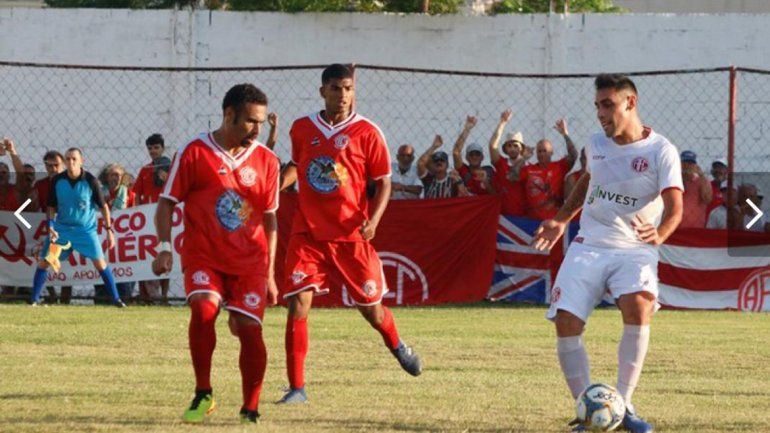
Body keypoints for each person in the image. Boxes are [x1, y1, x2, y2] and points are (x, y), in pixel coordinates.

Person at [532, 74, 683, 433]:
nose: (600, 113)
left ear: (630, 102)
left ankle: (625, 406)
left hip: (635, 248)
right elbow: (589, 179)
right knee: (566, 321)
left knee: (638, 306)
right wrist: (561, 220)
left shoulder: (661, 150)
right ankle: (588, 412)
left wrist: (660, 233)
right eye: (597, 105)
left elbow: (676, 206)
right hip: (590, 244)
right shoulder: (596, 143)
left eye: (608, 105)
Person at [278, 64, 422, 404]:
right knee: (298, 303)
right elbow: (297, 166)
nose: (342, 95)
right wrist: (274, 190)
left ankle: (397, 344)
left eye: (347, 88)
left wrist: (374, 221)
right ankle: (297, 388)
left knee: (372, 310)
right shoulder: (302, 128)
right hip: (308, 233)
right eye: (335, 88)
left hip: (350, 235)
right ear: (322, 91)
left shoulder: (367, 132)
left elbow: (383, 182)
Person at [152, 83, 279, 424]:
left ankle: (250, 409)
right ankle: (203, 392)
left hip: (250, 262)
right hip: (204, 255)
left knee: (248, 329)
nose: (257, 130)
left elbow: (270, 219)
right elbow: (166, 204)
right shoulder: (194, 151)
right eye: (250, 121)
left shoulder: (268, 161)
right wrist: (164, 247)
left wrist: (269, 274)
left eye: (261, 122)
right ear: (228, 114)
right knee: (204, 309)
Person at [29, 147, 127, 308]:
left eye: (74, 158)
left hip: (85, 231)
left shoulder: (90, 181)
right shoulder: (58, 181)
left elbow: (103, 207)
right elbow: (51, 206)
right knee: (45, 262)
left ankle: (116, 300)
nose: (71, 162)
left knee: (100, 263)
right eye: (68, 159)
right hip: (62, 230)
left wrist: (109, 230)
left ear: (81, 161)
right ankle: (34, 300)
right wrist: (51, 226)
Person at [133, 133, 171, 304]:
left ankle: (164, 295)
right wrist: (137, 213)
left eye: (156, 147)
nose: (153, 151)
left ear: (163, 148)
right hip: (147, 220)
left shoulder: (170, 168)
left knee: (165, 253)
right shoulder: (145, 170)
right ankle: (147, 295)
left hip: (165, 218)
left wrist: (167, 179)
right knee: (147, 255)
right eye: (150, 148)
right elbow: (137, 194)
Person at [519, 118, 578, 220]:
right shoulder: (528, 169)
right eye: (539, 151)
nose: (542, 154)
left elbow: (573, 155)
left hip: (554, 219)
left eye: (545, 151)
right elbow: (512, 176)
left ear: (551, 152)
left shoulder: (559, 166)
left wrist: (565, 134)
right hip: (532, 220)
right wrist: (522, 158)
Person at [33, 150, 72, 304]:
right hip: (48, 226)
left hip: (67, 226)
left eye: (56, 165)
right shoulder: (40, 185)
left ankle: (65, 299)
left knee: (69, 262)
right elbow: (32, 205)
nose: (53, 169)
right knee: (45, 259)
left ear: (63, 165)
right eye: (49, 166)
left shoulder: (71, 181)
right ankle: (51, 295)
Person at [93, 163, 135, 303]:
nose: (115, 178)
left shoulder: (129, 195)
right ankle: (102, 297)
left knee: (124, 281)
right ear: (106, 177)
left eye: (119, 175)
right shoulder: (98, 193)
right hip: (102, 239)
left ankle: (123, 298)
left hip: (124, 242)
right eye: (112, 175)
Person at [488, 110, 531, 216]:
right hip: (502, 215)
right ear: (505, 149)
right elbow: (492, 145)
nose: (512, 148)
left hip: (523, 216)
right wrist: (502, 122)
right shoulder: (501, 163)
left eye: (516, 146)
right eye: (509, 146)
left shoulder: (529, 167)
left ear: (521, 148)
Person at [451, 116, 495, 195]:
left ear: (482, 157)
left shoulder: (489, 171)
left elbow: (495, 194)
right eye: (471, 154)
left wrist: (485, 181)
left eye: (477, 154)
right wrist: (467, 129)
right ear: (466, 157)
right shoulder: (464, 170)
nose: (474, 157)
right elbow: (456, 152)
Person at [678, 151, 712, 228]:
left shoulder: (702, 181)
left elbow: (707, 199)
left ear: (695, 166)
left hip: (695, 228)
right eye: (685, 163)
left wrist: (701, 175)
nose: (687, 166)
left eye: (691, 164)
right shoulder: (674, 180)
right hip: (676, 227)